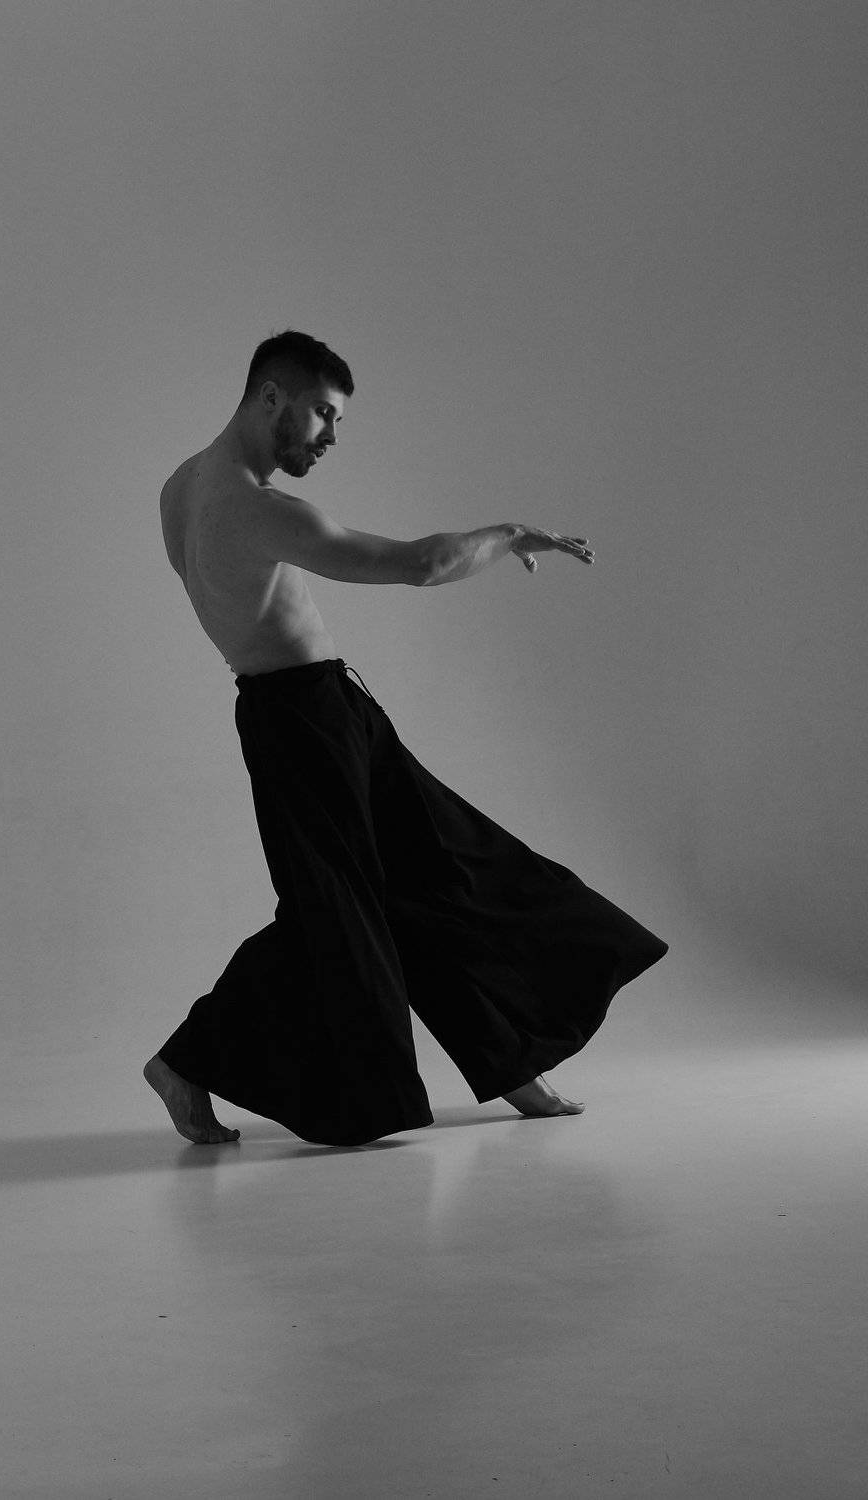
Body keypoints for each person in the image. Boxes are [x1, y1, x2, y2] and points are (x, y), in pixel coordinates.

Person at [144, 329, 668, 1148]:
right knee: (335, 914)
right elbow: (419, 564)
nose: (331, 436)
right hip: (305, 720)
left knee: (440, 866)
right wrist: (509, 533)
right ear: (271, 396)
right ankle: (185, 1060)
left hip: (304, 712)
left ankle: (511, 1057)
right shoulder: (259, 510)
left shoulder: (181, 488)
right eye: (323, 413)